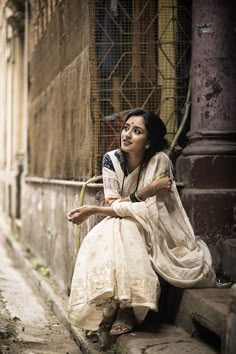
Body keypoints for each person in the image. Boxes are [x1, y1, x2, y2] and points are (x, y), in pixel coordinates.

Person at [67, 108, 216, 336]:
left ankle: (127, 308)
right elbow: (115, 204)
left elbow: (153, 211)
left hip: (157, 228)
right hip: (125, 221)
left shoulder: (160, 161)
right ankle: (115, 304)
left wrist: (95, 210)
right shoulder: (112, 160)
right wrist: (147, 191)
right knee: (112, 228)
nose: (126, 134)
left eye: (136, 131)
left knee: (119, 225)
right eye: (126, 128)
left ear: (148, 142)